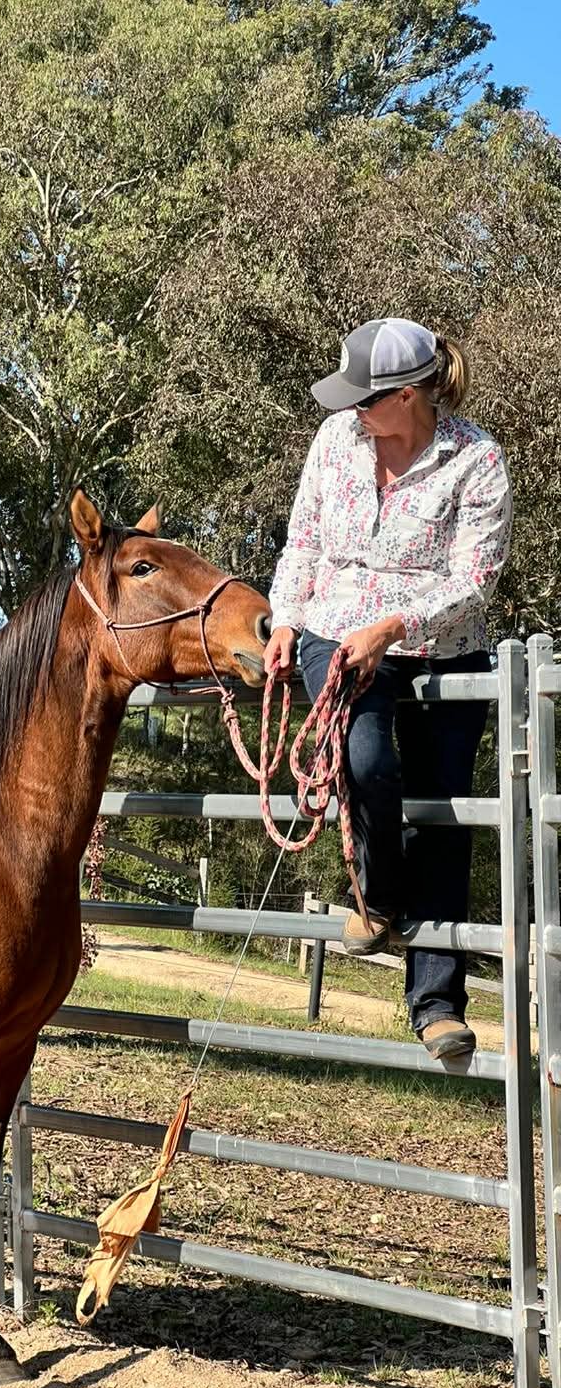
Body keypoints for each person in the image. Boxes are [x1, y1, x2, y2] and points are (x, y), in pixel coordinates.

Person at [264, 318, 512, 1060]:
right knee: (365, 762)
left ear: (409, 395)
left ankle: (436, 1002)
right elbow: (302, 537)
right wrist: (285, 618)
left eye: (368, 400)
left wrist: (393, 626)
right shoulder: (337, 440)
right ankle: (379, 893)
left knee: (442, 815)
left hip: (441, 643)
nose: (355, 413)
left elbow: (475, 578)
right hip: (334, 632)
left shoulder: (477, 461)